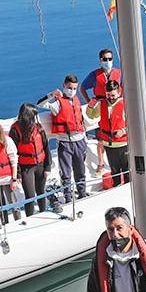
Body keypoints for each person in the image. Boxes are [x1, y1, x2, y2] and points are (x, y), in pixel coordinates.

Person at [48, 74, 88, 202]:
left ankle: (82, 194)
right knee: (66, 173)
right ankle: (68, 197)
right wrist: (52, 94)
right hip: (65, 142)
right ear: (64, 85)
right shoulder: (57, 102)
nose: (72, 90)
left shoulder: (76, 99)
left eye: (74, 88)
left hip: (79, 141)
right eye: (69, 87)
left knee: (80, 170)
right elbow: (40, 104)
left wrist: (84, 138)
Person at [8, 103, 51, 218]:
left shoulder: (39, 128)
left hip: (40, 165)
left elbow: (46, 147)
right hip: (26, 168)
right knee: (30, 195)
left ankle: (43, 213)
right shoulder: (15, 130)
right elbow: (13, 154)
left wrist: (48, 167)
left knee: (41, 192)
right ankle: (30, 218)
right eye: (34, 116)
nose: (37, 118)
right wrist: (17, 175)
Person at [90, 80, 128, 186]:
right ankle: (116, 188)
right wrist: (90, 106)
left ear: (119, 93)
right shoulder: (102, 104)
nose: (111, 97)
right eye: (108, 95)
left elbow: (135, 123)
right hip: (109, 145)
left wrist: (123, 131)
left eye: (113, 95)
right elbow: (91, 115)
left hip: (123, 144)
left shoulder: (125, 104)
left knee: (127, 172)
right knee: (115, 172)